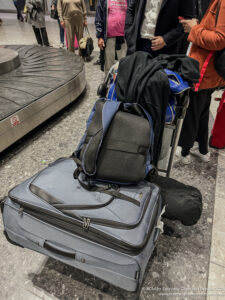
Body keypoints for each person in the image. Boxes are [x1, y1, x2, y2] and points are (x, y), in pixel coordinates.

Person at [178, 0, 225, 164]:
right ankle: (203, 148)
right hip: (206, 69)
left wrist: (194, 28)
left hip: (205, 69)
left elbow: (219, 39)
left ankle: (184, 150)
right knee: (202, 109)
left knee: (193, 110)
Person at [125, 0, 195, 57]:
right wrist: (129, 32)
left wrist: (166, 39)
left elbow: (187, 21)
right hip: (138, 44)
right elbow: (131, 9)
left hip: (163, 49)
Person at [95, 0, 128, 75]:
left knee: (124, 66)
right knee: (108, 66)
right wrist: (99, 37)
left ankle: (121, 85)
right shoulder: (103, 1)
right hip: (109, 38)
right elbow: (99, 16)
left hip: (124, 38)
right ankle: (108, 85)